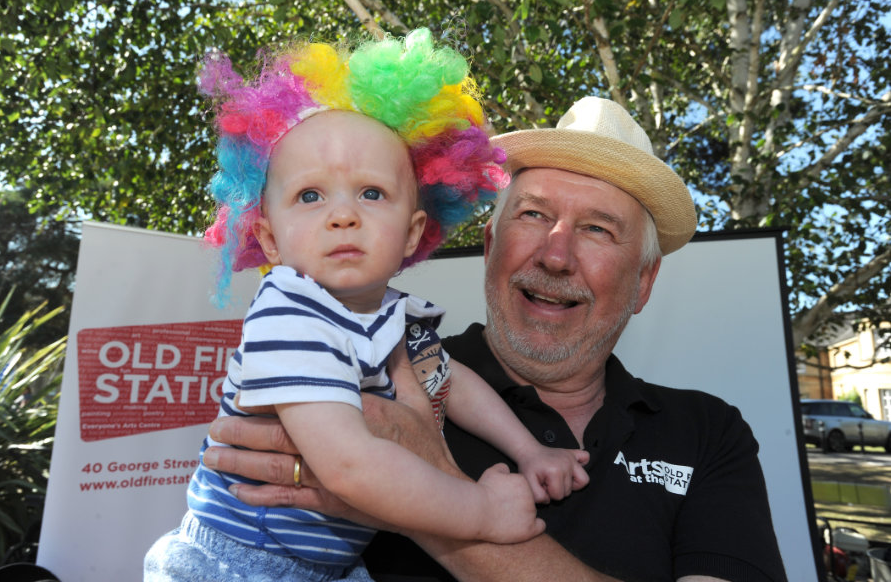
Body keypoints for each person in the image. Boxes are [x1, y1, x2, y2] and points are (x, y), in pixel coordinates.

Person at [201, 94, 790, 582]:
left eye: (596, 229)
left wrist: (439, 489)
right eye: (533, 215)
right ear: (489, 250)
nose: (556, 255)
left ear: (643, 282)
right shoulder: (359, 356)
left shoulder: (710, 433)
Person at [144, 29, 591, 582]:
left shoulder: (395, 318)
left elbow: (450, 385)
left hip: (331, 566)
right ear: (271, 238)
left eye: (371, 193)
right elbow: (350, 467)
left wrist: (529, 451)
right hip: (240, 564)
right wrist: (479, 511)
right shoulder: (291, 313)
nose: (342, 215)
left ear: (412, 233)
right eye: (310, 196)